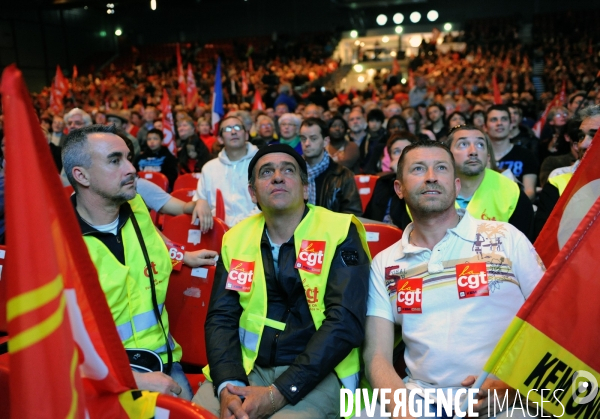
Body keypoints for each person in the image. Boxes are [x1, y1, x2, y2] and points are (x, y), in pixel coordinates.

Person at [363, 140, 545, 418]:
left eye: (441, 168)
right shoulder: (385, 263)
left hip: (503, 397)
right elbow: (377, 356)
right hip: (419, 397)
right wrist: (403, 411)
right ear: (399, 189)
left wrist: (514, 389)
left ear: (456, 185)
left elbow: (551, 323)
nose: (431, 176)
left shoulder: (505, 237)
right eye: (418, 169)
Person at [192, 143, 371, 419]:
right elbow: (221, 318)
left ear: (305, 188)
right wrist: (228, 385)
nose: (277, 177)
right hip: (247, 368)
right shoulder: (236, 239)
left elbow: (344, 323)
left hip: (319, 372)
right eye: (266, 172)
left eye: (288, 170)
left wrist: (280, 392)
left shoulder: (338, 230)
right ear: (253, 193)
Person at [61, 124, 218, 401]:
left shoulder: (136, 207)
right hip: (99, 375)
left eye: (128, 158)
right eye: (114, 160)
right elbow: (55, 345)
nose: (131, 168)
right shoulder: (56, 243)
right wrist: (132, 378)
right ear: (81, 175)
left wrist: (184, 257)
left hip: (163, 361)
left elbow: (156, 249)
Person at [445, 125, 534, 239]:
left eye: (480, 145)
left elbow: (523, 248)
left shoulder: (511, 191)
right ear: (447, 155)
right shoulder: (431, 190)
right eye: (463, 144)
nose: (473, 151)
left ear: (487, 157)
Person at [534, 105, 600, 238]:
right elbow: (544, 244)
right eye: (581, 136)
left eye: (594, 135)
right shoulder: (558, 185)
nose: (583, 144)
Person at [192, 115, 260, 231]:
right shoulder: (209, 168)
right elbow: (201, 202)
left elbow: (266, 204)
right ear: (220, 139)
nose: (233, 132)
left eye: (238, 127)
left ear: (247, 134)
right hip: (216, 231)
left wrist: (239, 227)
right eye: (227, 129)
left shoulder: (262, 162)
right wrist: (200, 201)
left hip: (255, 229)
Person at [300, 117, 362, 216]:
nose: (307, 143)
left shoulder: (343, 175)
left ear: (325, 141)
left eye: (313, 138)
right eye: (303, 139)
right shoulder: (293, 172)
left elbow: (353, 214)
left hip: (332, 230)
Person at [363, 131, 419, 225]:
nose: (401, 156)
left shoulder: (422, 183)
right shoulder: (383, 182)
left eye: (406, 151)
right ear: (390, 157)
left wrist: (402, 174)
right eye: (396, 151)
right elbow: (369, 217)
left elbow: (409, 220)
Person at [486, 105, 538, 201]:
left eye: (504, 119)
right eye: (494, 120)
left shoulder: (526, 155)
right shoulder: (479, 157)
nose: (499, 123)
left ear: (511, 125)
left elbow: (530, 192)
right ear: (485, 126)